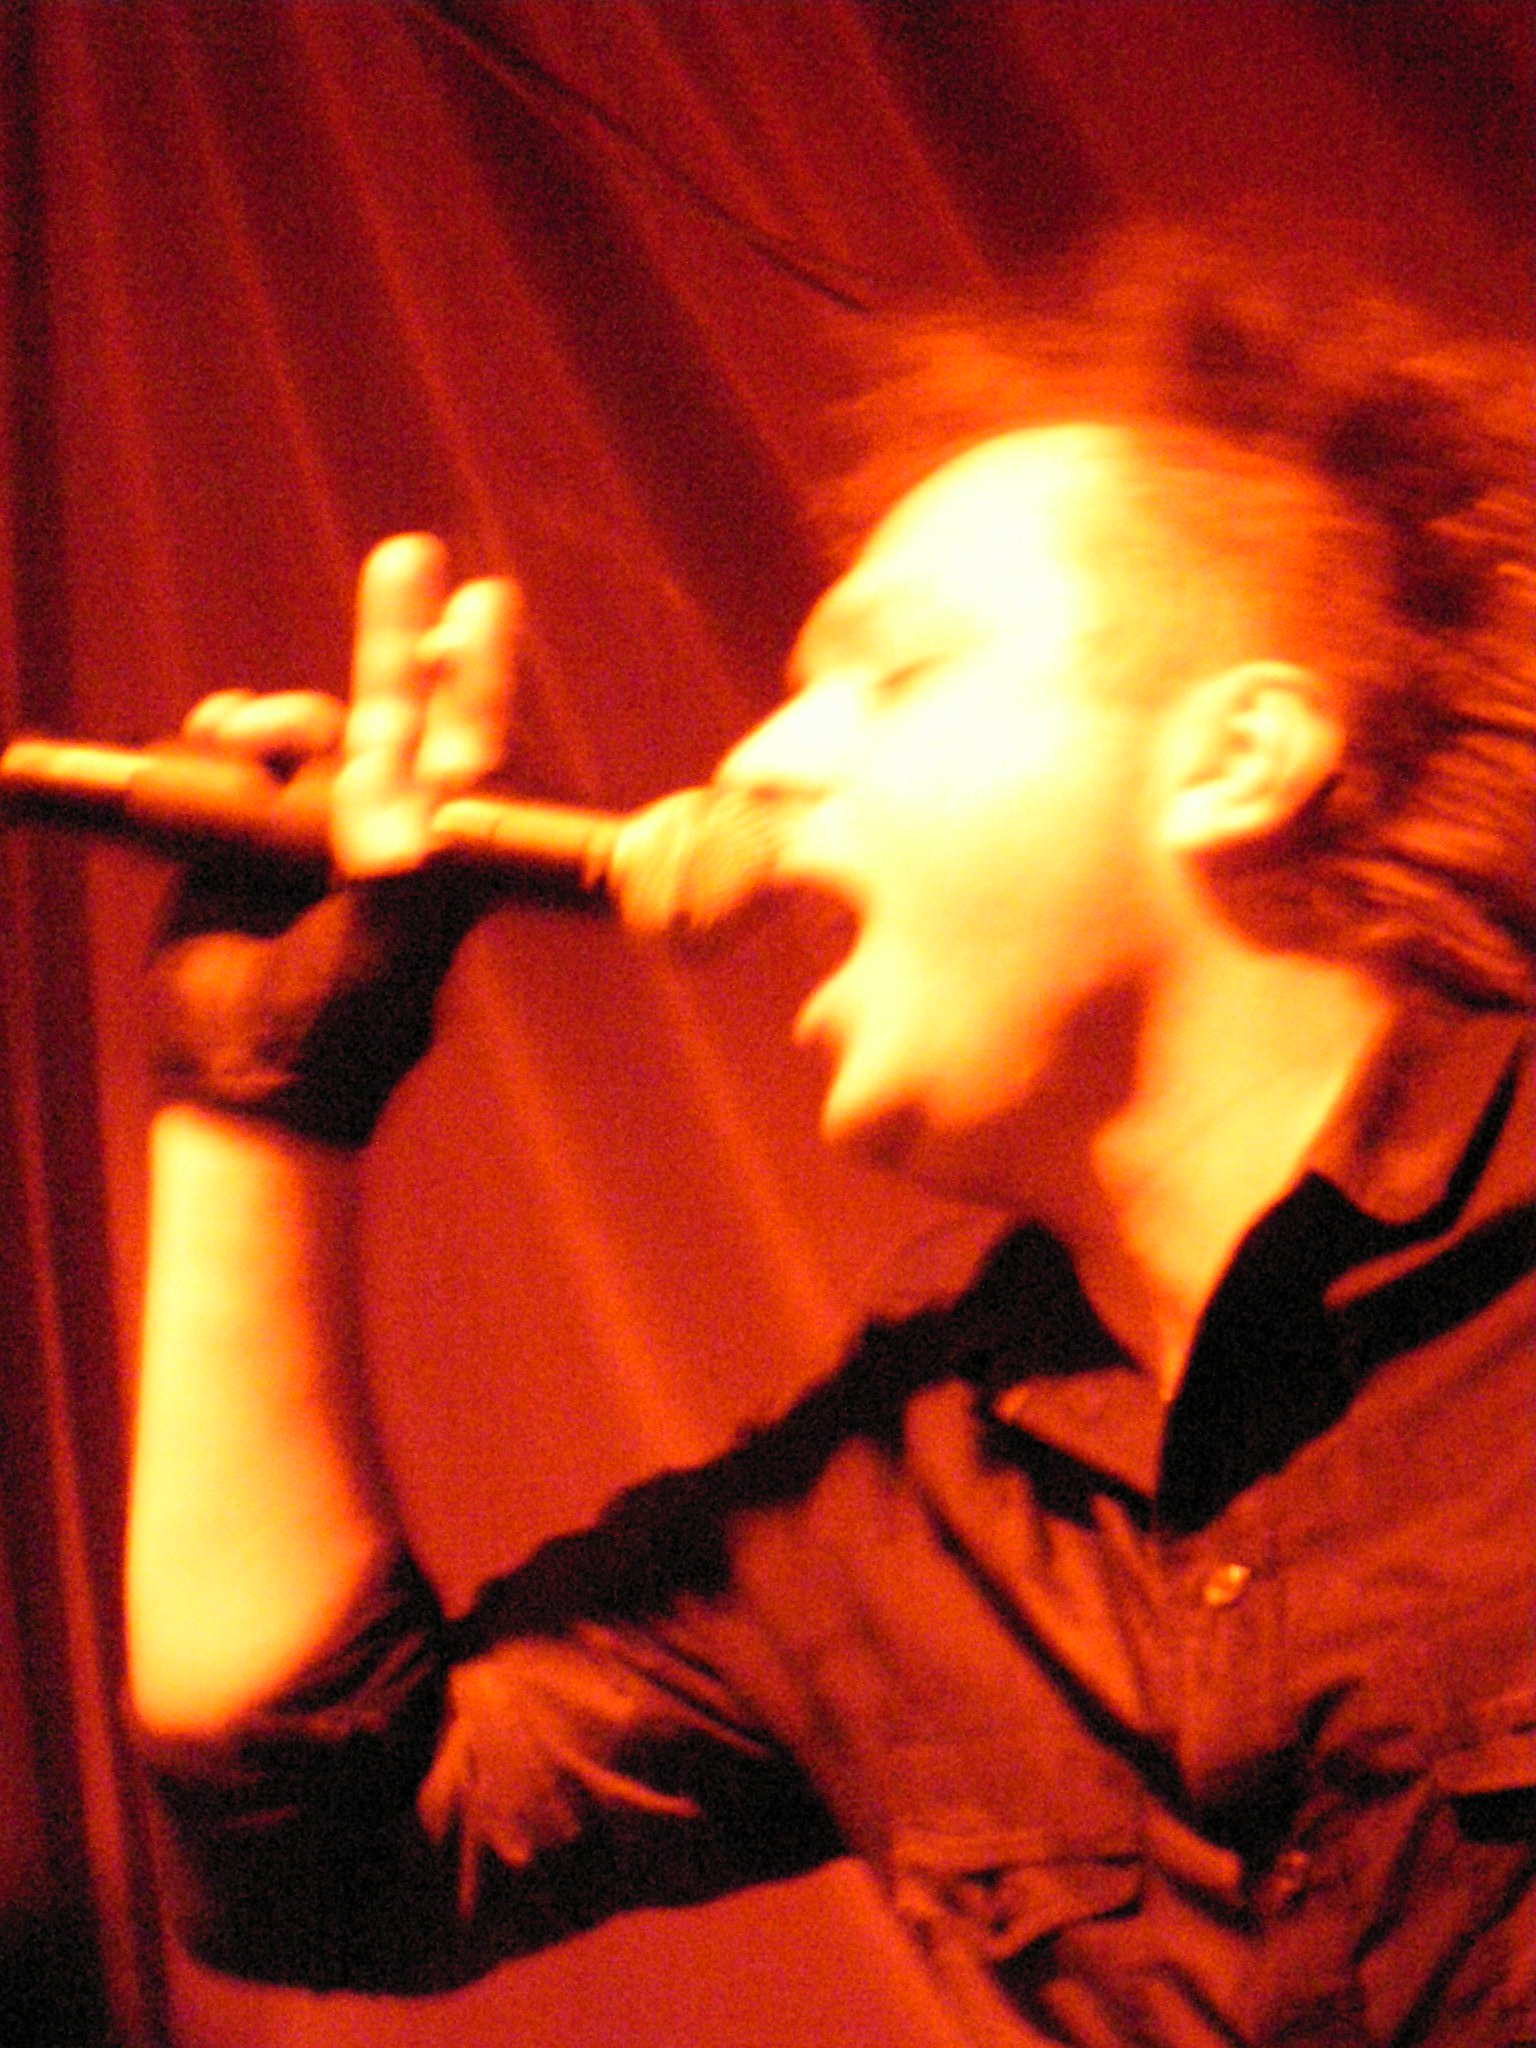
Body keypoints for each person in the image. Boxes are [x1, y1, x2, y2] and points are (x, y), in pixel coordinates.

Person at [124, 230, 1535, 2045]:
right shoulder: (895, 1497)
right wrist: (259, 1104)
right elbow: (319, 1862)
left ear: (1238, 754)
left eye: (894, 672)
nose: (764, 758)